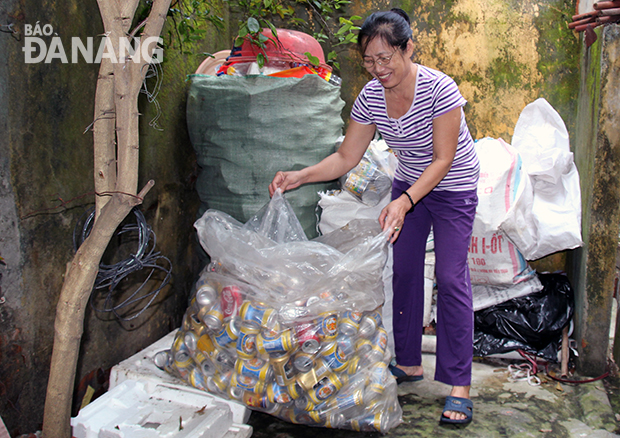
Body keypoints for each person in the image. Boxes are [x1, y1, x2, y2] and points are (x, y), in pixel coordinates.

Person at [268, 8, 479, 425]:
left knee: (452, 277)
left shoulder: (440, 90)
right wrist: (300, 176)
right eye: (369, 61)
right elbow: (347, 156)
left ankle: (459, 384)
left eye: (386, 58)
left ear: (408, 49)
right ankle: (410, 362)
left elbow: (442, 160)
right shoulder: (370, 97)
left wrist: (404, 202)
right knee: (402, 270)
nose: (378, 69)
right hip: (408, 185)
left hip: (452, 186)